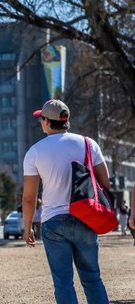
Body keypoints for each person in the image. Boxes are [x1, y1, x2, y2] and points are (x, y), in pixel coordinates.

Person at [22, 99, 110, 304]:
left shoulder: (35, 152)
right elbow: (105, 181)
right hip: (86, 217)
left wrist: (27, 228)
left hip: (54, 220)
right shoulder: (89, 144)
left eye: (41, 119)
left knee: (63, 282)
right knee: (92, 278)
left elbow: (29, 198)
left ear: (46, 121)